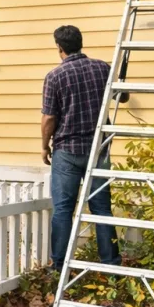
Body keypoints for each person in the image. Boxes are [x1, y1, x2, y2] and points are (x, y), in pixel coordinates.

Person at [40, 25, 122, 271]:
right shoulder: (102, 68)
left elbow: (49, 118)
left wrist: (44, 146)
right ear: (80, 43)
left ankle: (59, 266)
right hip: (99, 149)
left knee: (64, 209)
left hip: (68, 151)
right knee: (101, 209)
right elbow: (122, 97)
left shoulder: (55, 76)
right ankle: (111, 265)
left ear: (60, 48)